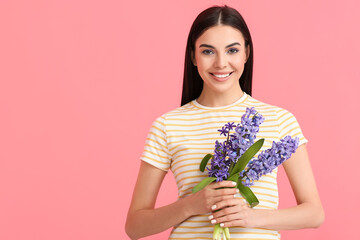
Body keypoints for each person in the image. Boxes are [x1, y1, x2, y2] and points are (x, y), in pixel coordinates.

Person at [125, 5, 324, 240]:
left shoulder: (280, 120)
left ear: (246, 53)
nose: (221, 63)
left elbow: (314, 213)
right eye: (208, 51)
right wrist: (190, 205)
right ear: (193, 56)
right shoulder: (168, 125)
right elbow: (135, 226)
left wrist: (251, 217)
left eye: (232, 50)